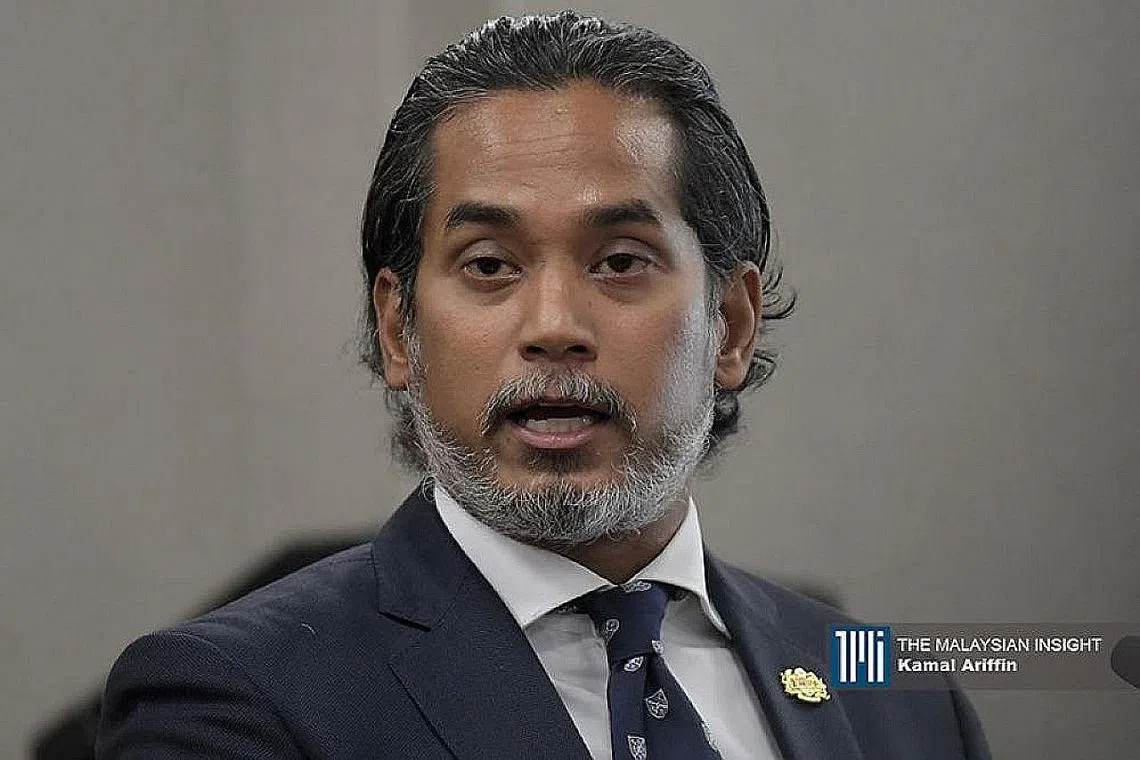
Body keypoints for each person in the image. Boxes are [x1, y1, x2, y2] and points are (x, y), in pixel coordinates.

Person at [96, 12, 990, 759]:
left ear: (731, 324)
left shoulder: (900, 697)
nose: (554, 325)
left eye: (621, 261)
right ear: (400, 330)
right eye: (489, 264)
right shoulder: (232, 700)